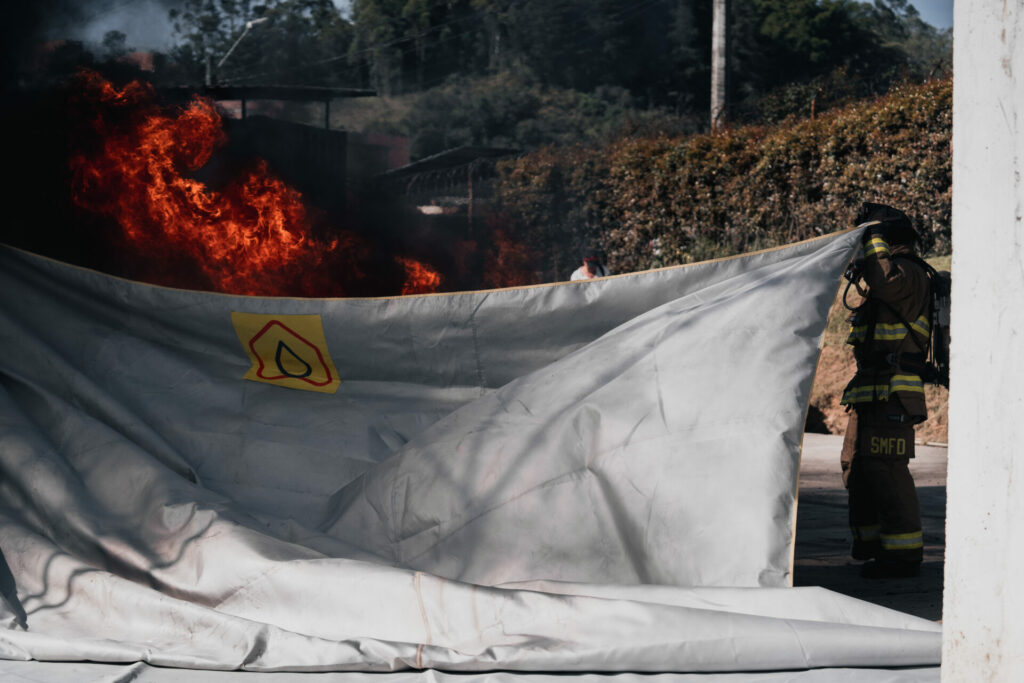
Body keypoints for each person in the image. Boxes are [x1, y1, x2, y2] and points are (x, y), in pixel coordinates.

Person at [839, 202, 930, 579]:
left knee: (887, 472)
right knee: (856, 466)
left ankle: (903, 556)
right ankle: (875, 547)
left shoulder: (907, 274)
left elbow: (885, 280)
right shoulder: (887, 276)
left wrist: (873, 239)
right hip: (870, 391)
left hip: (894, 392)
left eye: (872, 240)